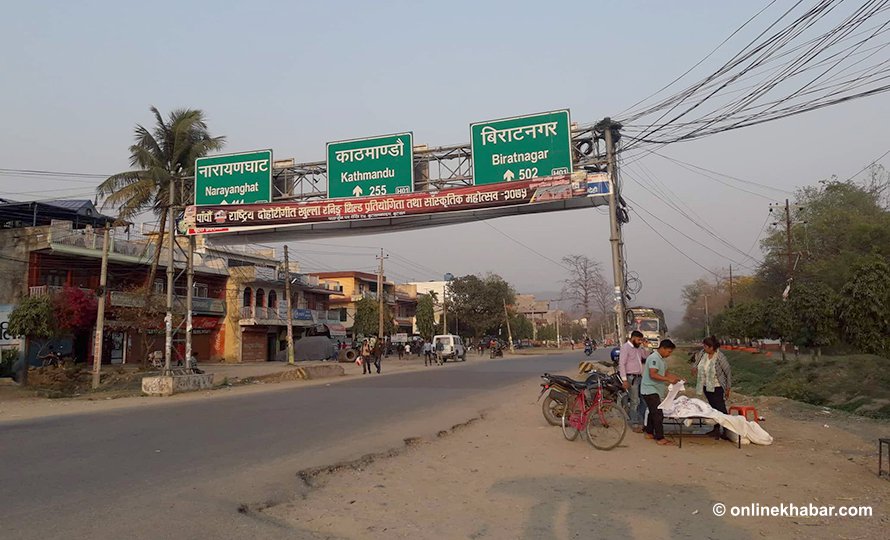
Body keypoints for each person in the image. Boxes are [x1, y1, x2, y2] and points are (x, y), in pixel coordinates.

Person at [640, 339, 681, 446]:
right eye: (668, 351)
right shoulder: (654, 358)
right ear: (662, 348)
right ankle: (660, 437)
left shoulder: (662, 360)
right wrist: (668, 380)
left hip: (656, 390)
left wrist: (677, 379)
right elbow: (653, 374)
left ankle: (649, 432)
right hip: (649, 389)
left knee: (653, 412)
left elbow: (666, 374)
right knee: (658, 414)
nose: (669, 354)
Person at [692, 335, 733, 438]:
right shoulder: (702, 353)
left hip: (717, 386)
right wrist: (694, 368)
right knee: (713, 409)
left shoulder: (720, 357)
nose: (704, 348)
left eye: (706, 346)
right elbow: (696, 363)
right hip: (706, 385)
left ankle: (727, 430)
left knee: (721, 409)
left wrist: (728, 388)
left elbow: (727, 372)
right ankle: (716, 429)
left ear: (712, 347)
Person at [618, 330, 648, 432]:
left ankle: (642, 421)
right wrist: (624, 380)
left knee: (643, 399)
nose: (640, 341)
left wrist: (645, 346)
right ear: (633, 338)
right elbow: (621, 364)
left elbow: (645, 356)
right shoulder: (625, 348)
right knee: (634, 401)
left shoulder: (638, 348)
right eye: (639, 340)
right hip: (631, 377)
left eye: (641, 340)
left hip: (639, 377)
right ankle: (634, 423)